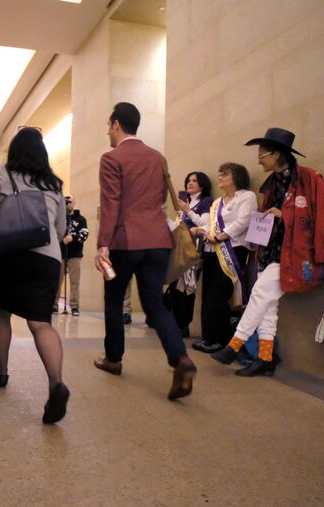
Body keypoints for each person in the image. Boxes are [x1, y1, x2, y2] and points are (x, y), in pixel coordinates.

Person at [212, 128, 324, 376]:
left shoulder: (309, 179)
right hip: (270, 252)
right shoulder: (271, 185)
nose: (259, 159)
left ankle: (234, 345)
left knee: (260, 295)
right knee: (268, 305)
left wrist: (285, 215)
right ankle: (265, 358)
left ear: (277, 154)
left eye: (262, 155)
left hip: (295, 254)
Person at [94, 102, 197, 401]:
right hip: (158, 241)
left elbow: (111, 203)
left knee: (114, 299)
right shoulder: (157, 157)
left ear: (116, 125)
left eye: (108, 126)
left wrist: (103, 244)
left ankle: (113, 359)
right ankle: (180, 359)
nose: (107, 132)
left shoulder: (111, 158)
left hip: (125, 241)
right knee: (155, 304)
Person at [0, 127, 69, 424]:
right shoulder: (54, 183)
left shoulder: (3, 174)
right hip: (48, 258)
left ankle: (2, 372)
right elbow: (60, 229)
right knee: (40, 323)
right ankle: (56, 382)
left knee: (2, 314)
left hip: (11, 255)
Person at [191, 163, 256, 353]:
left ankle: (218, 339)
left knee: (219, 295)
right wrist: (202, 230)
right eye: (219, 173)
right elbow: (211, 224)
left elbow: (244, 221)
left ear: (236, 176)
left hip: (233, 250)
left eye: (224, 174)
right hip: (212, 251)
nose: (219, 177)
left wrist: (220, 236)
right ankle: (208, 337)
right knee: (207, 296)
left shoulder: (247, 196)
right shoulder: (217, 202)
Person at [170, 171, 214, 337]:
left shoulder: (206, 201)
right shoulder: (186, 201)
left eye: (194, 180)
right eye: (188, 180)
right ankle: (175, 322)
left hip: (193, 250)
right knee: (175, 287)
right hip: (179, 249)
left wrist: (188, 211)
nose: (190, 183)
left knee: (187, 288)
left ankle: (183, 325)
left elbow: (205, 224)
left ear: (202, 184)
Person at [55, 195, 89, 316]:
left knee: (75, 282)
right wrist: (61, 240)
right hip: (60, 254)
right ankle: (54, 305)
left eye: (70, 201)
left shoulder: (81, 219)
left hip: (75, 255)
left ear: (74, 202)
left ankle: (74, 306)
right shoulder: (58, 218)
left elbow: (84, 235)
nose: (68, 203)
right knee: (57, 280)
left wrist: (73, 238)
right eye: (66, 201)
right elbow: (53, 234)